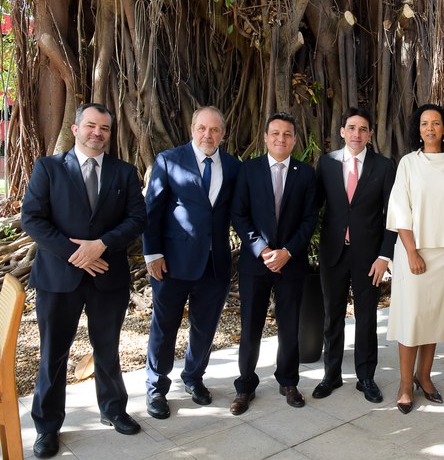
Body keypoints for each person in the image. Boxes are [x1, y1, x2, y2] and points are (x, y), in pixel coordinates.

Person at [22, 103, 147, 458]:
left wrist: (102, 245)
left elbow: (138, 219)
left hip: (108, 278)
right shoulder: (48, 168)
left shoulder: (124, 173)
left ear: (110, 133)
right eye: (91, 126)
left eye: (104, 128)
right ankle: (47, 426)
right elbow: (32, 218)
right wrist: (75, 254)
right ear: (76, 129)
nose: (97, 133)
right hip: (58, 278)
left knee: (107, 349)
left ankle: (113, 409)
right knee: (53, 355)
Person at [143, 106, 241, 419]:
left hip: (215, 265)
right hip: (172, 263)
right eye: (202, 128)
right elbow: (152, 211)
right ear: (192, 129)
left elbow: (239, 212)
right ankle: (156, 387)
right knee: (165, 327)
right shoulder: (169, 160)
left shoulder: (233, 166)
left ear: (222, 134)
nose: (207, 135)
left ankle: (193, 377)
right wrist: (152, 254)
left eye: (214, 130)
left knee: (205, 328)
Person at [230, 112, 317, 412]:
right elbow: (238, 214)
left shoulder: (305, 173)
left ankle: (288, 381)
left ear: (294, 139)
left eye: (287, 134)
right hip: (257, 263)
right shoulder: (248, 170)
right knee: (251, 325)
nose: (281, 139)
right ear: (265, 137)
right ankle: (245, 386)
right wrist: (262, 249)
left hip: (291, 263)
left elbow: (309, 220)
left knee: (289, 325)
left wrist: (288, 252)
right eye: (275, 133)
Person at [385, 104, 444, 414]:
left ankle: (424, 376)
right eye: (424, 123)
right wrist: (411, 252)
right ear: (417, 130)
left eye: (436, 123)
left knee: (433, 317)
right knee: (412, 319)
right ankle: (406, 383)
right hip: (413, 251)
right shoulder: (408, 163)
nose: (430, 128)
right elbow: (399, 210)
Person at [312, 108, 396, 403]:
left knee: (366, 318)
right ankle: (331, 374)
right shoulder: (327, 163)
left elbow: (392, 215)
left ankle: (366, 377)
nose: (357, 134)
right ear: (342, 132)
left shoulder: (384, 167)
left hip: (368, 257)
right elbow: (313, 207)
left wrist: (384, 256)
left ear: (370, 134)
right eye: (351, 128)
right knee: (332, 316)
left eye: (363, 129)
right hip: (333, 253)